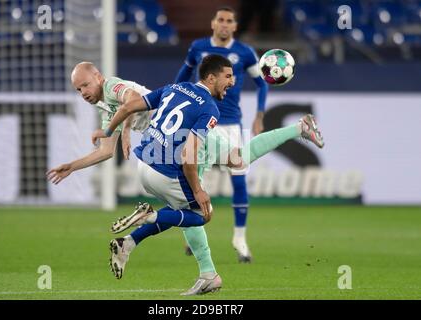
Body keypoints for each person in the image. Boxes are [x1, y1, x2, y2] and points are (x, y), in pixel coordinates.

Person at [92, 53, 324, 295]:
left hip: (144, 166)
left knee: (227, 169)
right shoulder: (209, 108)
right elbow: (188, 155)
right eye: (228, 76)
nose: (233, 82)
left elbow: (129, 106)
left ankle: (191, 268)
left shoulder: (175, 87)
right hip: (167, 171)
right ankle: (148, 219)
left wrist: (107, 131)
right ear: (211, 77)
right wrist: (198, 190)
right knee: (202, 214)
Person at [175, 6, 268, 262]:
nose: (225, 24)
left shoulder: (244, 53)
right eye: (221, 20)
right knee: (193, 179)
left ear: (235, 26)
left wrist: (259, 115)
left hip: (230, 124)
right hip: (199, 122)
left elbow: (261, 84)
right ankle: (194, 234)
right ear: (213, 23)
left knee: (239, 179)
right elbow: (181, 79)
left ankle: (240, 239)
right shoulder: (198, 47)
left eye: (230, 21)